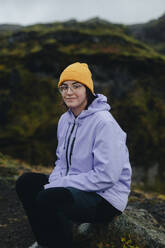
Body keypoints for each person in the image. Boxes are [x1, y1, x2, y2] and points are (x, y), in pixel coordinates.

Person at [16, 62, 132, 248]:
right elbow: (61, 162)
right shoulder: (65, 120)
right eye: (64, 87)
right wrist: (55, 180)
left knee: (50, 197)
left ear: (88, 90)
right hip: (77, 185)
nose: (69, 92)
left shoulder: (104, 124)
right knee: (27, 182)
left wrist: (61, 184)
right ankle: (47, 241)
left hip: (105, 197)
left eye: (76, 86)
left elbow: (107, 176)